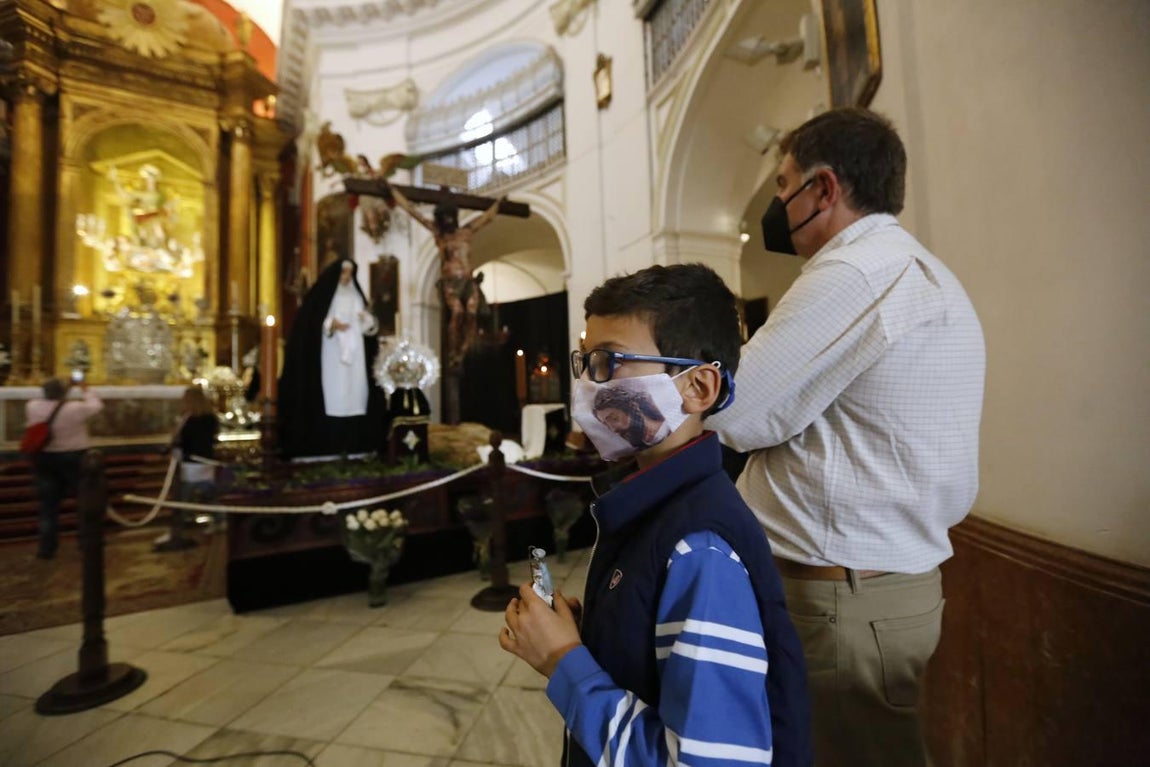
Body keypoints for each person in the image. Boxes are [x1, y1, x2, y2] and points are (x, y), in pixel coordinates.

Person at [708, 108, 986, 767]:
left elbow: (737, 411)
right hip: (884, 584)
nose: (777, 203)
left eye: (783, 186)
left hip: (839, 600)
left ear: (825, 189)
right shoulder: (923, 269)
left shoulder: (853, 273)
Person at [499, 264, 812, 767]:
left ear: (698, 388)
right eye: (586, 362)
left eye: (609, 363)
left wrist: (564, 662)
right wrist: (596, 637)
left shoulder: (701, 547)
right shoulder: (651, 500)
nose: (588, 385)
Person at [278, 258, 387, 458]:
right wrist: (330, 324)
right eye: (343, 273)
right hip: (331, 354)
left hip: (355, 357)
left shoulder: (356, 296)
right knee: (333, 394)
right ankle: (329, 444)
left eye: (349, 273)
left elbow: (367, 328)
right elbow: (313, 322)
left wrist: (367, 321)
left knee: (355, 395)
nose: (346, 277)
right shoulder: (324, 296)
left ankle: (356, 447)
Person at [25, 378, 103, 559]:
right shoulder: (75, 408)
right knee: (84, 499)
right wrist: (84, 388)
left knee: (48, 504)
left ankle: (46, 547)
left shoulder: (32, 406)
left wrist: (64, 390)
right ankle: (86, 540)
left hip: (45, 458)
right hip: (74, 457)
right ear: (64, 393)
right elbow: (96, 405)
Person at [591, 384, 670, 453]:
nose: (614, 430)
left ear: (632, 406)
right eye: (607, 425)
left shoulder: (670, 426)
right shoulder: (640, 451)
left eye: (614, 418)